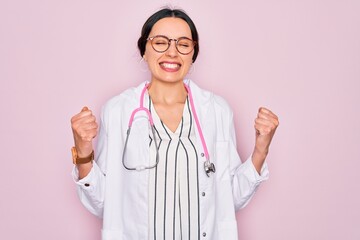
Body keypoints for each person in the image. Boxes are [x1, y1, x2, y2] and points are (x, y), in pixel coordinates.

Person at [70, 7, 279, 240]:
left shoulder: (217, 110)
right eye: (160, 42)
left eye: (183, 44)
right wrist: (83, 152)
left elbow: (229, 200)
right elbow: (105, 205)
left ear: (193, 53)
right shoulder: (117, 111)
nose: (172, 52)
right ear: (144, 50)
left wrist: (261, 149)